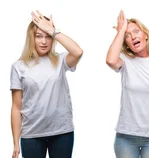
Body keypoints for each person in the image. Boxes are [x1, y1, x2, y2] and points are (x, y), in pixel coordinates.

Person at [10, 10, 84, 158]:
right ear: (31, 38)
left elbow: (78, 52)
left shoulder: (61, 61)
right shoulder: (18, 67)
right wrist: (16, 143)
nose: (44, 42)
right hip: (32, 134)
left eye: (48, 37)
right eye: (39, 36)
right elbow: (16, 107)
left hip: (62, 132)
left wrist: (52, 30)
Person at [105, 10, 149, 158]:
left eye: (136, 31)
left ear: (146, 35)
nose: (133, 37)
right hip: (126, 137)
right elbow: (111, 60)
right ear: (125, 43)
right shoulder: (125, 61)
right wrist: (120, 31)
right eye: (127, 35)